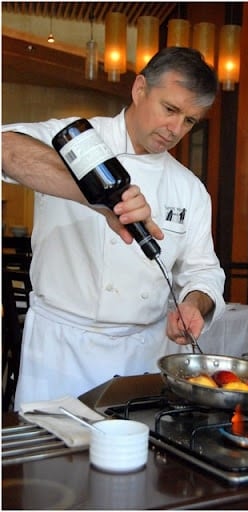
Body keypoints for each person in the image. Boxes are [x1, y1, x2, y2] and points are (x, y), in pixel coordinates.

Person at [2, 47, 226, 408]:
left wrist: (193, 304)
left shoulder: (190, 189)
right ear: (139, 89)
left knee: (138, 461)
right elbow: (6, 148)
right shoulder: (77, 138)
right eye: (170, 109)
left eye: (189, 121)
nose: (175, 129)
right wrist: (99, 194)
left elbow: (203, 271)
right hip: (60, 351)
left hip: (141, 357)